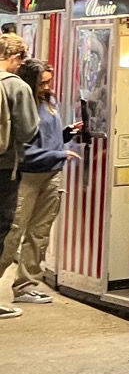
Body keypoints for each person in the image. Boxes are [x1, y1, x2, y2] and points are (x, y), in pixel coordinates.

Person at [0, 60, 72, 306]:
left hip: (52, 173)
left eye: (49, 81)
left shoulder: (51, 102)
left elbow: (47, 138)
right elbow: (24, 146)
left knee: (39, 233)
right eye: (42, 82)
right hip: (27, 175)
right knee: (13, 232)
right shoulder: (22, 101)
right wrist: (57, 154)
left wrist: (65, 136)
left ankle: (25, 286)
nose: (47, 86)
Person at [0, 34, 35, 321]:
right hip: (4, 168)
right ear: (15, 58)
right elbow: (28, 131)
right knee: (2, 228)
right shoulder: (16, 87)